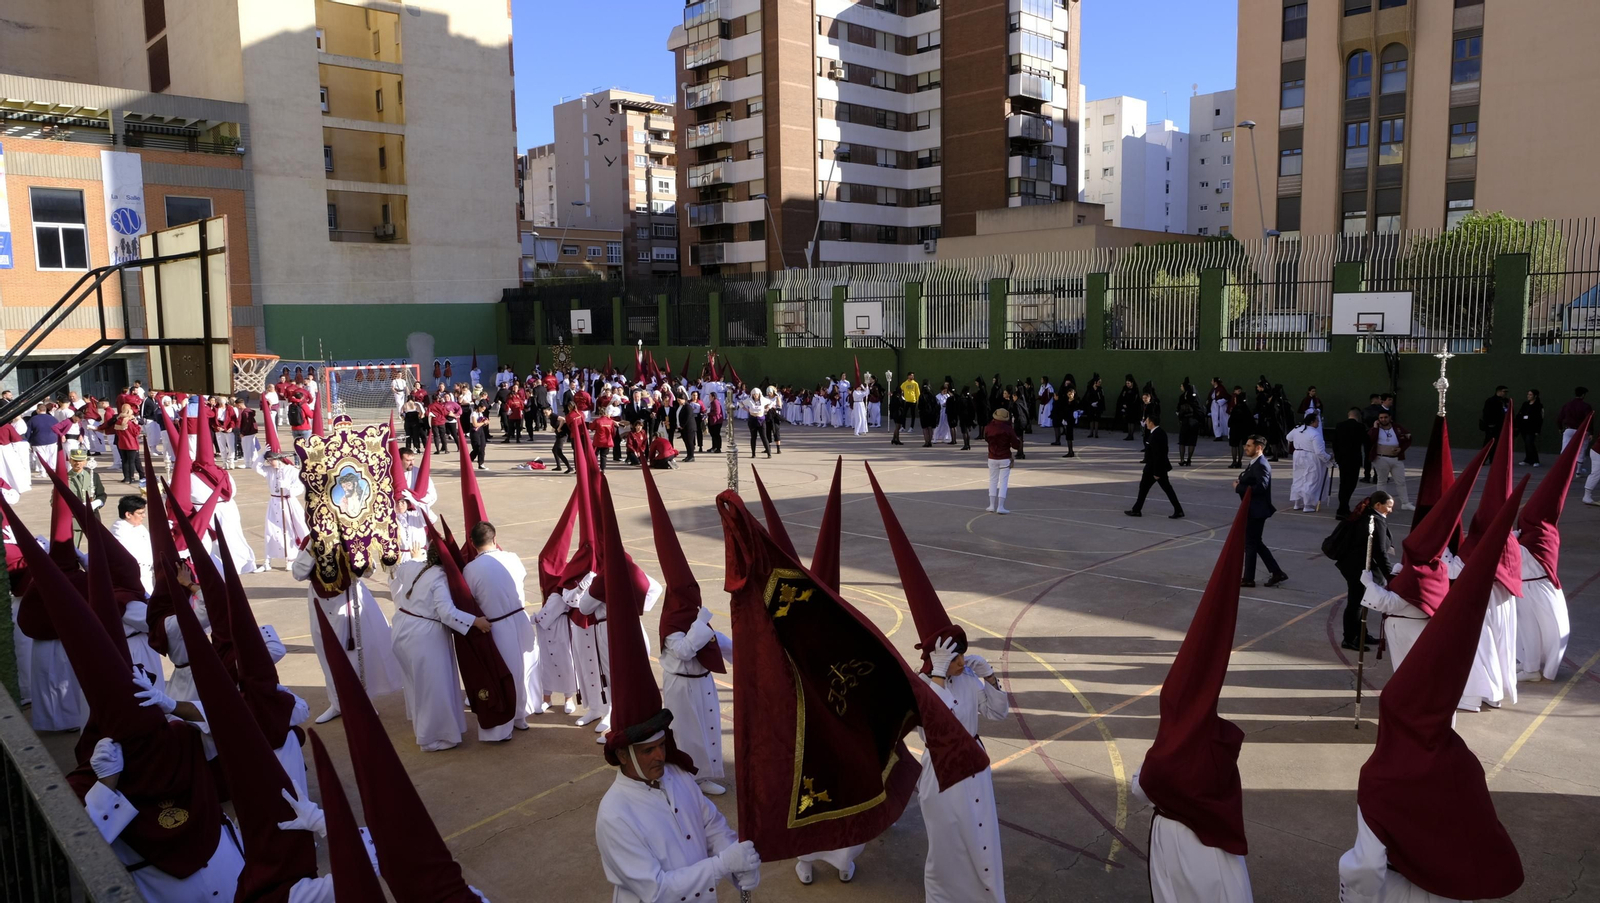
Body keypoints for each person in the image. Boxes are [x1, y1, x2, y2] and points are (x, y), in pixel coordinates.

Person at [1132, 493, 1255, 903]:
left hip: (1178, 846)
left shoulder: (1172, 757)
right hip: (1217, 856)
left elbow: (1144, 786)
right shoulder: (1218, 745)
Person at [389, 546, 488, 751]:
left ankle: (423, 728)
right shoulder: (440, 578)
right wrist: (475, 622)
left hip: (402, 628)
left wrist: (415, 556)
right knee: (433, 688)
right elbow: (446, 613)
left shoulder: (413, 567)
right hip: (423, 635)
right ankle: (431, 738)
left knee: (417, 683)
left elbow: (399, 568)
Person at [462, 521, 544, 740]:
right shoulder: (513, 558)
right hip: (520, 618)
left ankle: (503, 727)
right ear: (495, 539)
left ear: (472, 543)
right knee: (522, 671)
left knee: (503, 674)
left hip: (498, 625)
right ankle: (520, 717)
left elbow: (469, 598)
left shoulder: (470, 569)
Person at [1333, 492, 1392, 651]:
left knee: (1361, 601)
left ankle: (1361, 634)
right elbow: (1379, 551)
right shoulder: (1374, 520)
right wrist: (1390, 574)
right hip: (1359, 568)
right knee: (1356, 603)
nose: (1390, 510)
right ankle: (1350, 638)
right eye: (1389, 506)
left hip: (1355, 566)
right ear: (1378, 505)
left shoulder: (1366, 515)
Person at [1235, 436, 1287, 588]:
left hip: (1257, 510)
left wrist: (1239, 487)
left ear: (1259, 448)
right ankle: (1277, 572)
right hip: (1254, 509)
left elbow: (1260, 487)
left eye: (1249, 446)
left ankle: (1248, 578)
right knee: (1255, 543)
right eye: (1246, 445)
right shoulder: (1255, 463)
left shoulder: (1261, 465)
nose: (1246, 448)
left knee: (1251, 544)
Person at [254, 451, 307, 571]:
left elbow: (300, 488)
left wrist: (288, 487)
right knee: (271, 531)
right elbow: (256, 467)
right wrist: (262, 456)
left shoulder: (292, 471)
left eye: (271, 460)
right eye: (268, 460)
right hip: (274, 502)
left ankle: (290, 559)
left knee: (288, 530)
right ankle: (267, 561)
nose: (270, 463)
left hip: (287, 502)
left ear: (279, 459)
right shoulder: (269, 470)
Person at [1127, 413, 1184, 519]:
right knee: (1146, 488)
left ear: (1151, 423)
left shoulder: (1157, 434)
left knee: (1161, 488)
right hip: (1154, 467)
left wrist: (1157, 472)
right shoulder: (1157, 432)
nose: (1145, 423)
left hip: (1155, 468)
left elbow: (1158, 454)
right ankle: (1136, 509)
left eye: (1147, 421)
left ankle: (1178, 510)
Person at [110, 496, 156, 598]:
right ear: (128, 514)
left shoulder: (139, 526)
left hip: (149, 574)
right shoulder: (118, 532)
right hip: (137, 577)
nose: (143, 516)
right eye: (140, 513)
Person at [1367, 411, 1413, 510]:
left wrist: (1401, 449)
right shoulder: (1376, 429)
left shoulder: (1398, 428)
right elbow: (1370, 439)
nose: (1383, 419)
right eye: (1381, 418)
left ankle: (1405, 503)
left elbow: (1408, 438)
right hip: (1381, 458)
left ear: (1390, 418)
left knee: (1401, 481)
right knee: (1382, 481)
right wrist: (1375, 428)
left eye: (1385, 417)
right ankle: (1381, 503)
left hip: (1396, 459)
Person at [1286, 413, 1332, 512]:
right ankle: (1307, 505)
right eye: (1317, 421)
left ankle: (1297, 503)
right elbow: (1319, 452)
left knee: (1298, 478)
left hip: (1298, 455)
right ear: (1312, 422)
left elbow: (1288, 437)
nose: (1318, 423)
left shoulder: (1297, 429)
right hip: (1310, 457)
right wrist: (1329, 458)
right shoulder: (1315, 434)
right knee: (1311, 480)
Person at [1331, 408, 1369, 519]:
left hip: (1343, 459)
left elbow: (1335, 443)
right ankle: (1343, 508)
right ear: (1358, 416)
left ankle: (1343, 507)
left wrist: (1337, 457)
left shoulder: (1339, 426)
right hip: (1354, 459)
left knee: (1343, 483)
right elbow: (1366, 441)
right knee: (1351, 484)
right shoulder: (1360, 427)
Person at [984, 407, 1022, 515]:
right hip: (1004, 457)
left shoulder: (989, 427)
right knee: (1003, 482)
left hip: (992, 456)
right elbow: (1015, 445)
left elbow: (986, 438)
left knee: (993, 480)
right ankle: (1000, 506)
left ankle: (991, 505)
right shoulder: (1008, 429)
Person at [65, 449, 106, 542]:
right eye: (75, 460)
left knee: (97, 546)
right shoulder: (64, 478)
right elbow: (55, 502)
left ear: (85, 461)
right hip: (74, 519)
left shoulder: (93, 476)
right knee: (74, 550)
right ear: (70, 460)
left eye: (81, 460)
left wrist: (97, 503)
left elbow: (101, 494)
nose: (78, 463)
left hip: (93, 518)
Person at [1556, 386, 1592, 476]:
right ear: (1583, 395)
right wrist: (1591, 432)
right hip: (1582, 431)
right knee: (1582, 450)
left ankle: (1561, 469)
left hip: (1569, 429)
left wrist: (1560, 428)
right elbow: (1590, 420)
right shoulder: (1586, 406)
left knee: (1564, 449)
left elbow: (1559, 418)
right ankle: (1578, 471)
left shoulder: (1567, 405)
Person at [1175, 379, 1203, 466]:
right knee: (1192, 441)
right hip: (1194, 421)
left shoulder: (1182, 397)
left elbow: (1178, 409)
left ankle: (1182, 459)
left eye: (1181, 386)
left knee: (1182, 441)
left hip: (1185, 421)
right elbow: (1199, 409)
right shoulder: (1195, 397)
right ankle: (1189, 459)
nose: (1180, 387)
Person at [1227, 389, 1253, 469]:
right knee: (1241, 445)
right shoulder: (1246, 408)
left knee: (1234, 446)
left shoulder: (1235, 409)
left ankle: (1234, 461)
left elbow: (1230, 421)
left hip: (1235, 429)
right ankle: (1239, 461)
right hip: (1243, 429)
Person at [1517, 389, 1544, 466]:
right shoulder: (1525, 404)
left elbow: (1540, 418)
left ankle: (1535, 460)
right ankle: (1528, 459)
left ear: (1535, 396)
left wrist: (1537, 430)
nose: (1528, 396)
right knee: (1526, 443)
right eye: (1528, 394)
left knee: (1530, 443)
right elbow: (1520, 414)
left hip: (1532, 428)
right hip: (1524, 427)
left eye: (1530, 395)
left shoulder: (1538, 405)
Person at [744, 388, 771, 458]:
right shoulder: (749, 400)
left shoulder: (763, 400)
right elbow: (741, 403)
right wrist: (747, 409)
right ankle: (753, 453)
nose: (755, 396)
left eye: (756, 394)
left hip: (761, 420)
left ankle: (769, 453)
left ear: (759, 394)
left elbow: (770, 402)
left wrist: (767, 408)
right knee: (753, 437)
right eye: (754, 394)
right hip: (752, 419)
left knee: (763, 437)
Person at [1117, 374, 1142, 441]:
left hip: (1133, 408)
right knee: (1128, 421)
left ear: (1132, 383)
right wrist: (1123, 404)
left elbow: (1134, 400)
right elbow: (1122, 397)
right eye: (1126, 383)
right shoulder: (1125, 389)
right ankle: (1129, 434)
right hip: (1127, 408)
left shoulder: (1135, 390)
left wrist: (1128, 405)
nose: (1127, 384)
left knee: (1132, 421)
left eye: (1128, 383)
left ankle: (1131, 434)